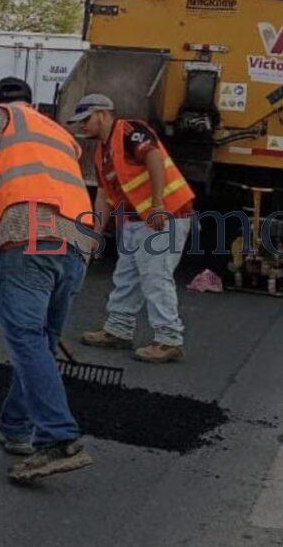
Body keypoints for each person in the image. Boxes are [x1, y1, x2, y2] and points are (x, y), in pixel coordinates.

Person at [0, 77, 97, 483]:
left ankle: (58, 437)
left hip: (28, 232)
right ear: (32, 103)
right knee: (41, 341)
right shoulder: (55, 131)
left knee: (26, 337)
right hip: (76, 242)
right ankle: (15, 428)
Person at [73, 94, 196, 363]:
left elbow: (153, 157)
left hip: (166, 215)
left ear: (103, 115)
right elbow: (104, 196)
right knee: (127, 275)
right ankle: (119, 329)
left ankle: (169, 339)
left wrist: (158, 204)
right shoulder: (102, 153)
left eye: (86, 119)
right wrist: (95, 233)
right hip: (136, 220)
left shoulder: (129, 131)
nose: (81, 125)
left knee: (155, 275)